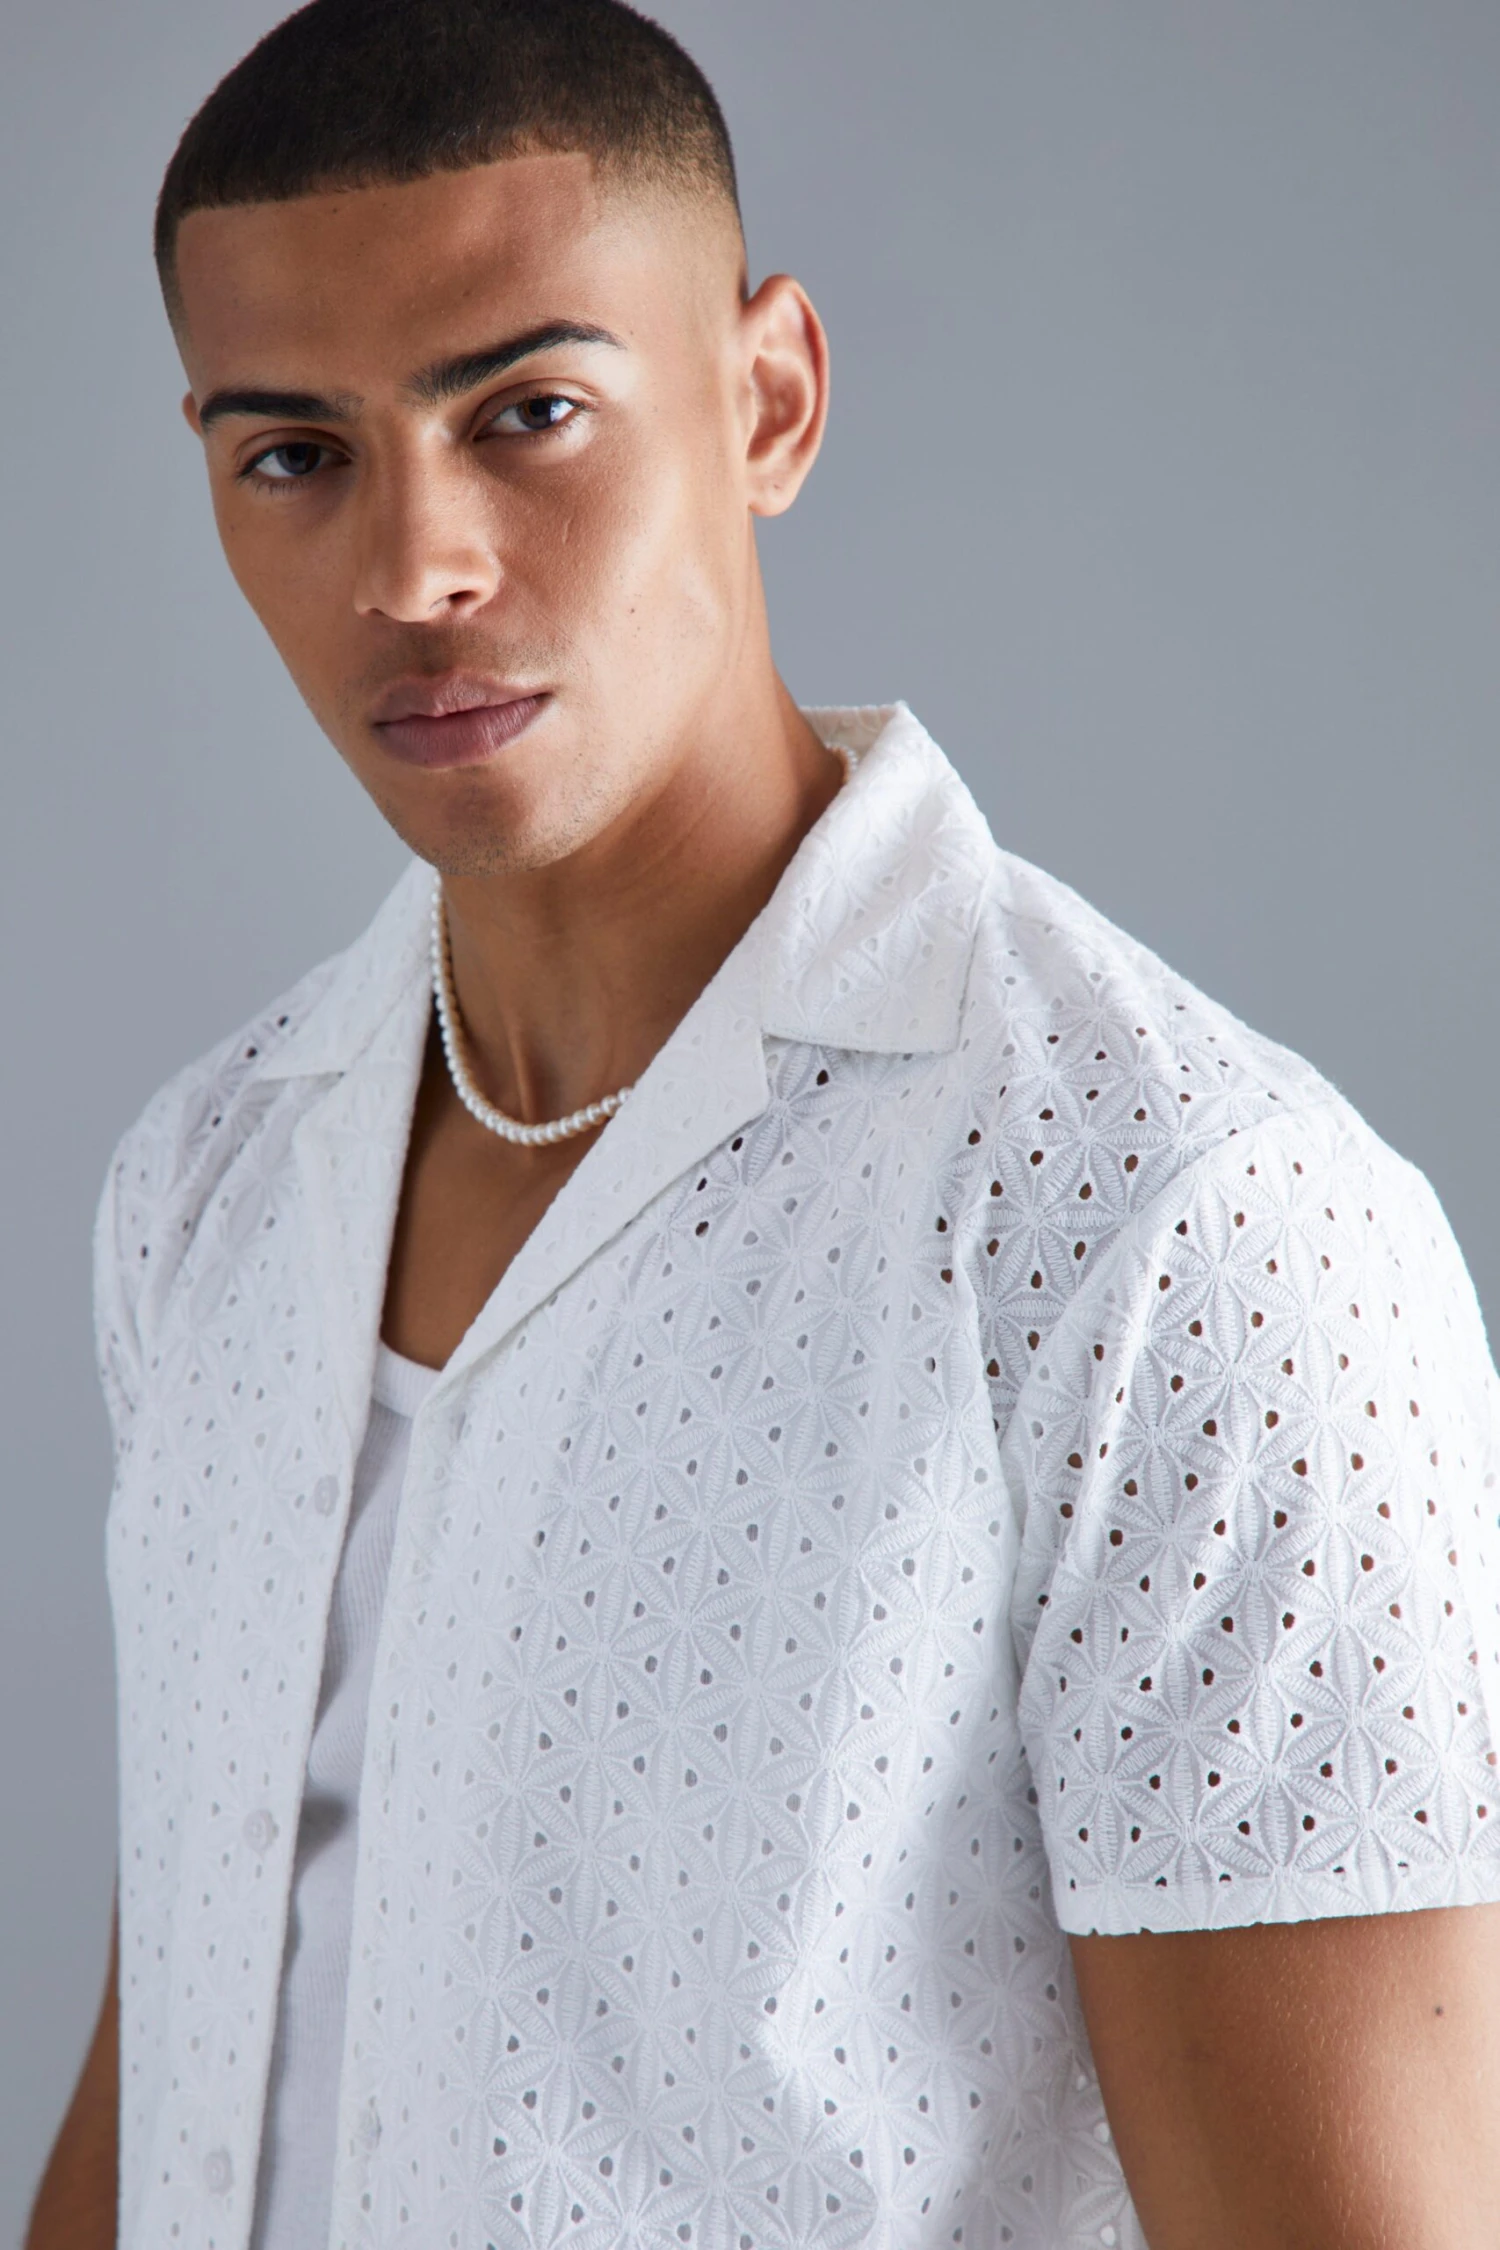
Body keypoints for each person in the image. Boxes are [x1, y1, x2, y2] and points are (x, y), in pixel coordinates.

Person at [26, 1, 1500, 2244]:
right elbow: (204, 2042)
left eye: (528, 413)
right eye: (296, 454)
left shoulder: (1173, 1224)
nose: (413, 568)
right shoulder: (212, 1179)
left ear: (769, 399)